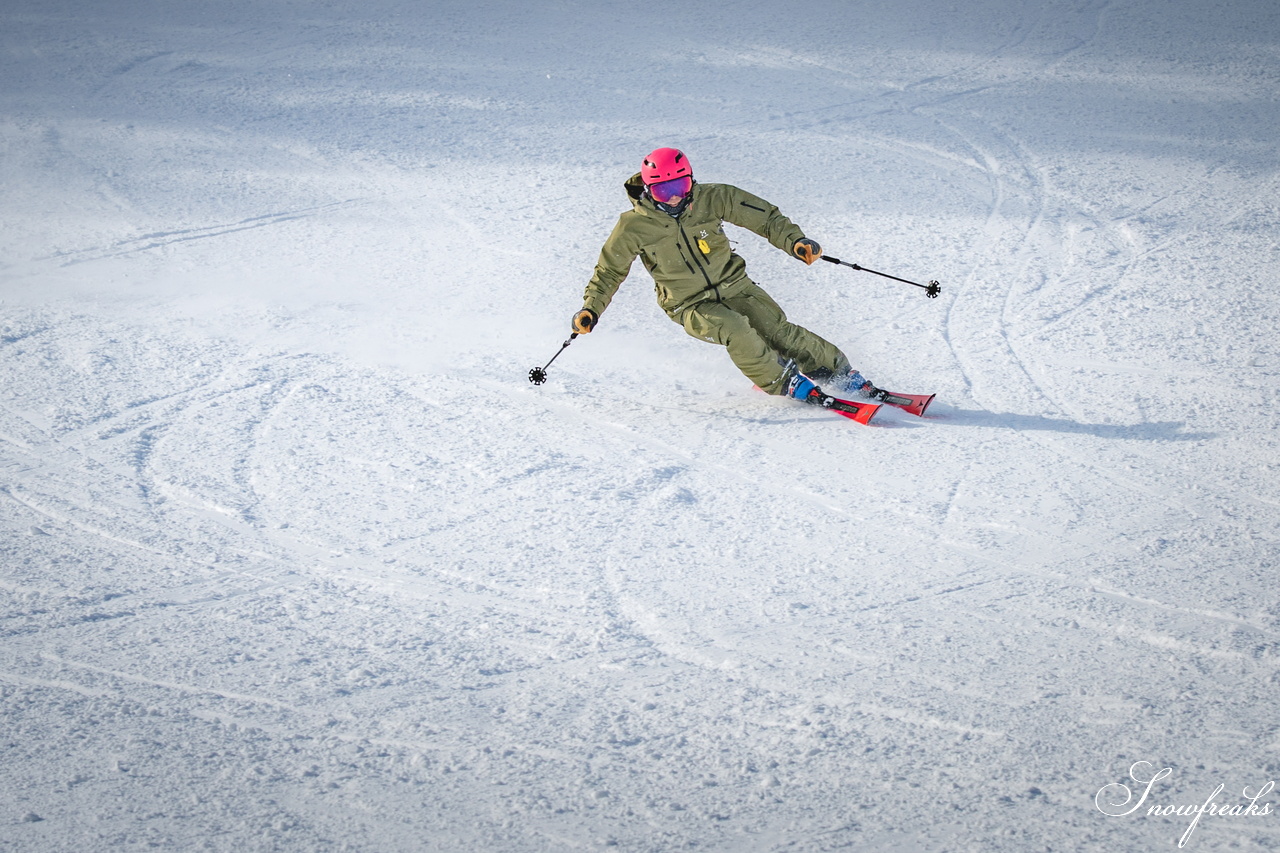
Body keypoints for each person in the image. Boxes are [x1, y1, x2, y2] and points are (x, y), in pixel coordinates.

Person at [573, 147, 878, 405]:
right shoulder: (633, 226)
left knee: (777, 330)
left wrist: (795, 241)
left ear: (691, 180)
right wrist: (590, 308)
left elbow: (765, 217)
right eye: (663, 191)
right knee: (736, 328)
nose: (675, 198)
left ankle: (838, 372)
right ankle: (783, 380)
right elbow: (609, 271)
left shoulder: (713, 198)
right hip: (689, 304)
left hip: (735, 286)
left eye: (680, 187)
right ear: (649, 190)